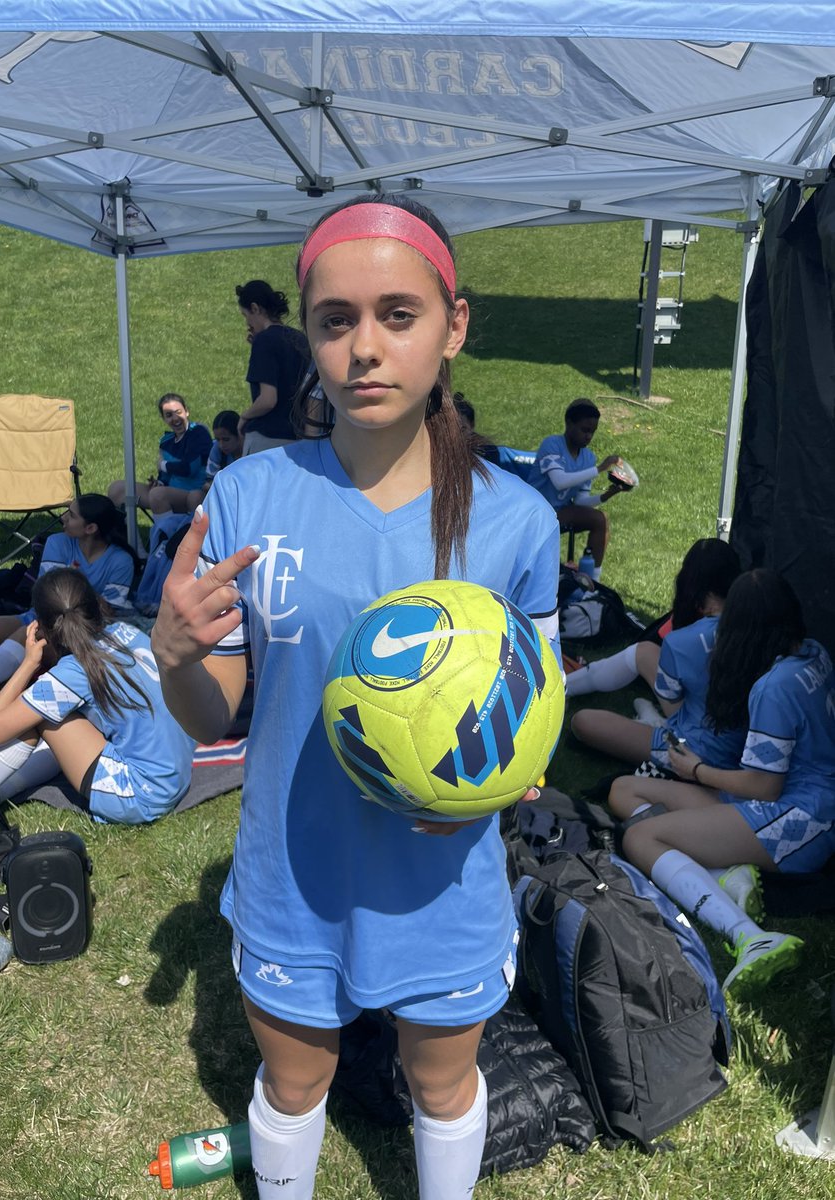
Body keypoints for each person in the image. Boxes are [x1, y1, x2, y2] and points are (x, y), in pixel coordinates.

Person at [151, 193, 561, 1200]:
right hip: (294, 875)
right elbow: (219, 716)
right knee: (295, 1088)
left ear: (453, 324)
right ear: (312, 337)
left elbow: (531, 725)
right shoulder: (251, 496)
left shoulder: (518, 521)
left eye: (398, 315)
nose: (365, 348)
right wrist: (173, 658)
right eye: (336, 321)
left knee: (443, 1082)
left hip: (442, 885)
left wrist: (494, 779)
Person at [609, 570, 835, 992]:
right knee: (625, 789)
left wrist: (695, 770)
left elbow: (763, 787)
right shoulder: (814, 652)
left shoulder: (773, 687)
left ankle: (748, 935)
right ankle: (725, 871)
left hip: (799, 821)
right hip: (802, 804)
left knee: (639, 839)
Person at [0, 568, 195, 824]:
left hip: (141, 796)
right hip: (176, 776)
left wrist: (28, 664)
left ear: (42, 626)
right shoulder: (126, 631)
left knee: (40, 717)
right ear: (95, 603)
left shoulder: (73, 672)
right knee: (59, 710)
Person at [0, 494, 136, 726]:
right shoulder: (58, 542)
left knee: (25, 634)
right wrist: (82, 597)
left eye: (71, 515)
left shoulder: (121, 561)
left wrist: (69, 597)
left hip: (78, 636)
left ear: (90, 528)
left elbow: (105, 613)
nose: (63, 518)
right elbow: (49, 596)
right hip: (40, 617)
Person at [568, 539, 743, 772]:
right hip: (734, 740)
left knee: (583, 722)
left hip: (696, 749)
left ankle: (655, 724)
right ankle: (562, 687)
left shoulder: (681, 641)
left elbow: (673, 697)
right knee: (645, 652)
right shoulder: (756, 626)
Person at [534, 399, 626, 579]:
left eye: (592, 432)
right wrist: (600, 469)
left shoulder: (588, 457)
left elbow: (581, 501)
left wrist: (606, 496)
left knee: (600, 519)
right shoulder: (552, 445)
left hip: (561, 511)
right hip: (537, 510)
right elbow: (559, 481)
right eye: (584, 430)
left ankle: (592, 580)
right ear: (569, 423)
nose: (588, 436)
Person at [235, 280, 311, 455]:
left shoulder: (264, 341)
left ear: (255, 308)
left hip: (268, 439)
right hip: (299, 436)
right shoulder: (300, 338)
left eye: (245, 315)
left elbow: (268, 400)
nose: (248, 323)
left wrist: (245, 416)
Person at [108, 393, 212, 515]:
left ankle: (166, 533)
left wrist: (162, 465)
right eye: (169, 415)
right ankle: (126, 532)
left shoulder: (198, 432)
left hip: (193, 494)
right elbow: (165, 475)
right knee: (117, 488)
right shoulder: (166, 441)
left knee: (158, 494)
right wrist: (160, 482)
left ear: (186, 412)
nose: (175, 418)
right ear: (163, 418)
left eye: (178, 412)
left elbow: (189, 469)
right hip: (168, 491)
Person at [185, 409, 244, 511]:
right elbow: (208, 483)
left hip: (245, 496)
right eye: (217, 439)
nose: (221, 445)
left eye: (226, 439)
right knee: (196, 496)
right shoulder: (217, 449)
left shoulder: (251, 450)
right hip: (223, 496)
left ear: (240, 435)